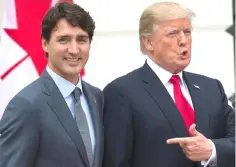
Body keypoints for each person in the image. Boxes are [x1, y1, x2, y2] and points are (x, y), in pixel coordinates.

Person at [102, 2, 235, 167]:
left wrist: (212, 150)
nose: (183, 41)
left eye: (187, 32)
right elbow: (116, 161)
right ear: (148, 42)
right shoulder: (121, 92)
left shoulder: (211, 88)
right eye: (173, 34)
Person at [0, 2, 103, 167]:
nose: (74, 50)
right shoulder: (26, 106)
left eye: (82, 40)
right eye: (64, 40)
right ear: (45, 44)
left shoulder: (96, 97)